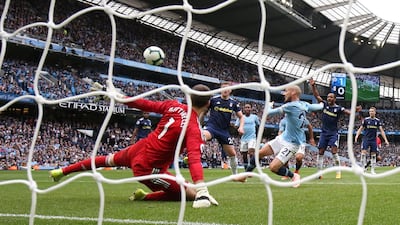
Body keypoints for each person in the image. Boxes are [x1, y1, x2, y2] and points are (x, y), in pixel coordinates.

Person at [49, 84, 218, 208]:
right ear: (208, 104)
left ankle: (62, 171)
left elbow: (143, 104)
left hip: (138, 149)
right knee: (190, 194)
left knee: (106, 160)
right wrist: (202, 188)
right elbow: (194, 159)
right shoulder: (193, 127)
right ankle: (144, 197)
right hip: (148, 169)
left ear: (188, 97)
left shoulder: (172, 105)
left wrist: (118, 96)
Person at [245, 85, 323, 188]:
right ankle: (245, 175)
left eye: (286, 91)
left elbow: (268, 113)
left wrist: (269, 105)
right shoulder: (304, 105)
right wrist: (323, 103)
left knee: (273, 167)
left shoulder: (290, 106)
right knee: (258, 154)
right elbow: (319, 106)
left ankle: (294, 175)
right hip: (282, 138)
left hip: (291, 144)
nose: (284, 93)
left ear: (293, 93)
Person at [309, 78, 361, 179]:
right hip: (324, 133)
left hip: (333, 133)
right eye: (328, 97)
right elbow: (317, 96)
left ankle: (338, 171)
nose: (328, 98)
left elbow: (348, 112)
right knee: (320, 152)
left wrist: (355, 110)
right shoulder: (324, 105)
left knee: (334, 151)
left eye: (331, 97)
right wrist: (313, 86)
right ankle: (319, 173)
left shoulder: (338, 108)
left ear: (334, 99)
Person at [203, 81, 244, 175]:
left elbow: (241, 116)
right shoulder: (213, 100)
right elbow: (204, 112)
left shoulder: (233, 103)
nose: (225, 90)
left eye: (227, 88)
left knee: (233, 154)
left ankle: (235, 175)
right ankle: (191, 154)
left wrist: (241, 127)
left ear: (230, 90)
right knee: (201, 137)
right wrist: (198, 123)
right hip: (211, 127)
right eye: (223, 88)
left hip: (224, 131)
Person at [279, 115, 315, 180]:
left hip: (300, 141)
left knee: (299, 158)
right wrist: (280, 140)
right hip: (288, 142)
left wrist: (311, 138)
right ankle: (287, 174)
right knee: (285, 159)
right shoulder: (284, 121)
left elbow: (309, 126)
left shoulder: (301, 118)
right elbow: (280, 131)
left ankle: (296, 171)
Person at [355, 107, 389, 174]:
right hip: (366, 139)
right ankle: (363, 168)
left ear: (375, 112)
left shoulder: (377, 121)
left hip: (373, 140)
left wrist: (386, 140)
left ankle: (372, 170)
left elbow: (381, 131)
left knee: (373, 155)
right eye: (370, 111)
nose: (371, 112)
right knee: (363, 154)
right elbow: (360, 128)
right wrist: (356, 136)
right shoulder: (366, 120)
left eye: (372, 111)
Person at [234, 103, 260, 170]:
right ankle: (246, 170)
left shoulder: (254, 117)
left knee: (251, 152)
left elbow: (258, 125)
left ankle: (250, 169)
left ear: (251, 109)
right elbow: (236, 126)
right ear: (244, 109)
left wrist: (257, 134)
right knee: (244, 155)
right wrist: (238, 129)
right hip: (243, 139)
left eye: (249, 107)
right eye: (246, 107)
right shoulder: (241, 117)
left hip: (252, 138)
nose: (247, 109)